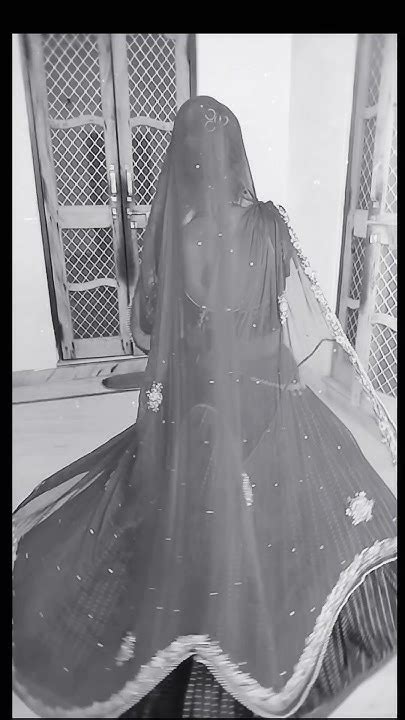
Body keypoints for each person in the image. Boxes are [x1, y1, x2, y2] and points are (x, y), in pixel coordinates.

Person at [13, 96, 397, 719]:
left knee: (184, 499)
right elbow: (285, 319)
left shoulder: (178, 234)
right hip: (269, 396)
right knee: (311, 495)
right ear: (238, 153)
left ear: (183, 162)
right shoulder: (270, 224)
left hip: (202, 405)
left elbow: (154, 334)